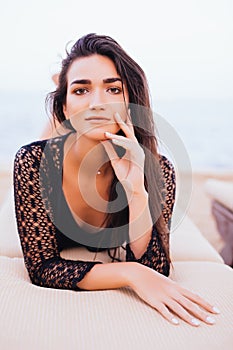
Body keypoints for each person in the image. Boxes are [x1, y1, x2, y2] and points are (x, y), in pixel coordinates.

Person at [13, 33, 219, 327]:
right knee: (46, 141)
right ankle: (61, 86)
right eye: (81, 90)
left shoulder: (159, 171)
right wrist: (130, 273)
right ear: (65, 108)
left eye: (113, 89)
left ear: (132, 102)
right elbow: (43, 267)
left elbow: (155, 266)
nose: (98, 103)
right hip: (57, 153)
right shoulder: (31, 161)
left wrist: (136, 191)